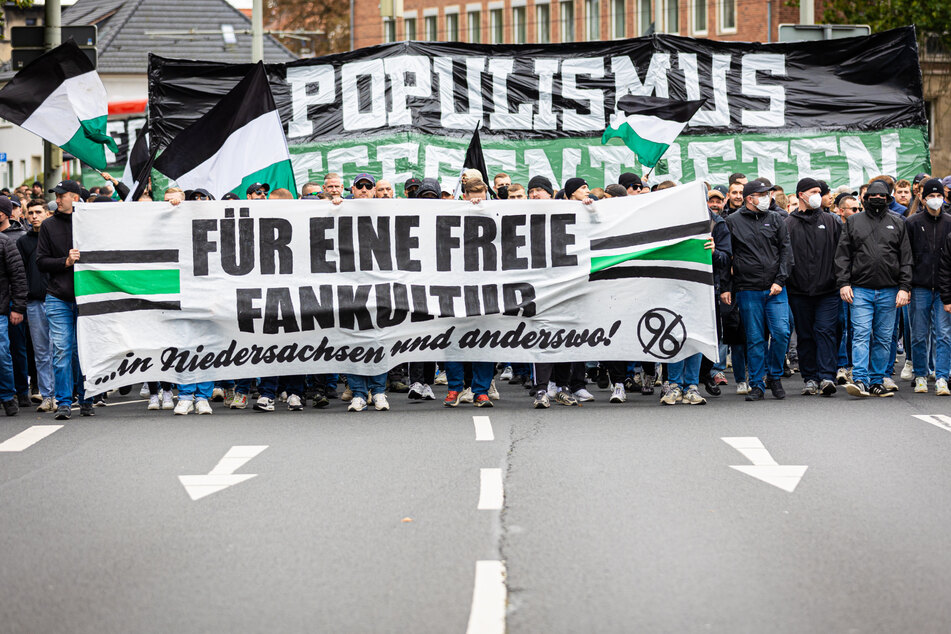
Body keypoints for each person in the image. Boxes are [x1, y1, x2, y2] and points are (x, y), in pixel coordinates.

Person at [835, 180, 912, 397]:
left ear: (888, 199)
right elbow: (842, 256)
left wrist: (904, 288)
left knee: (883, 337)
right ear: (865, 199)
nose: (877, 200)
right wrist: (844, 283)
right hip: (860, 289)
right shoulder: (853, 222)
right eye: (872, 197)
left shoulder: (898, 223)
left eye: (882, 197)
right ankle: (860, 379)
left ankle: (877, 380)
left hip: (889, 290)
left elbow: (906, 258)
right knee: (860, 334)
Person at [722, 180, 793, 401]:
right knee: (754, 339)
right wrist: (726, 287)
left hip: (775, 288)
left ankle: (774, 375)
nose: (767, 197)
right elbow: (726, 257)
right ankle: (756, 384)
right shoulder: (732, 221)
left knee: (781, 333)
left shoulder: (776, 219)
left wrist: (780, 280)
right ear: (749, 198)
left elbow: (786, 252)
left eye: (768, 193)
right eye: (762, 194)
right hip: (747, 288)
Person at [36, 180, 93, 419]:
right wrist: (65, 262)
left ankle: (87, 397)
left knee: (82, 352)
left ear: (75, 198)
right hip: (58, 297)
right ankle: (64, 402)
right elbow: (40, 262)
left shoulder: (92, 223)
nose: (57, 199)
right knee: (61, 350)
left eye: (62, 195)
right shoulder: (48, 226)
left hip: (88, 297)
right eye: (57, 195)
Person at [785, 178, 842, 396]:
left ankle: (827, 376)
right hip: (799, 291)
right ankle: (810, 378)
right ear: (801, 194)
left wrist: (839, 280)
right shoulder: (788, 224)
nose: (819, 194)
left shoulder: (832, 221)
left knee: (825, 331)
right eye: (814, 191)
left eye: (820, 191)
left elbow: (842, 254)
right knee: (806, 335)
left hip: (828, 290)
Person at [905, 178, 951, 395]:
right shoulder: (912, 223)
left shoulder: (950, 223)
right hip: (920, 286)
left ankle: (942, 376)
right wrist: (906, 285)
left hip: (944, 289)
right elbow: (906, 256)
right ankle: (921, 374)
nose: (935, 200)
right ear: (922, 199)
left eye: (938, 196)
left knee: (944, 334)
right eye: (931, 196)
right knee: (919, 334)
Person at [17, 199, 55, 412]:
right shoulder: (23, 242)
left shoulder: (55, 238)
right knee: (41, 351)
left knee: (59, 349)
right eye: (30, 213)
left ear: (47, 214)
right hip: (33, 302)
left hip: (57, 299)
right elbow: (20, 274)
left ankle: (63, 394)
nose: (34, 216)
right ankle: (47, 394)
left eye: (38, 212)